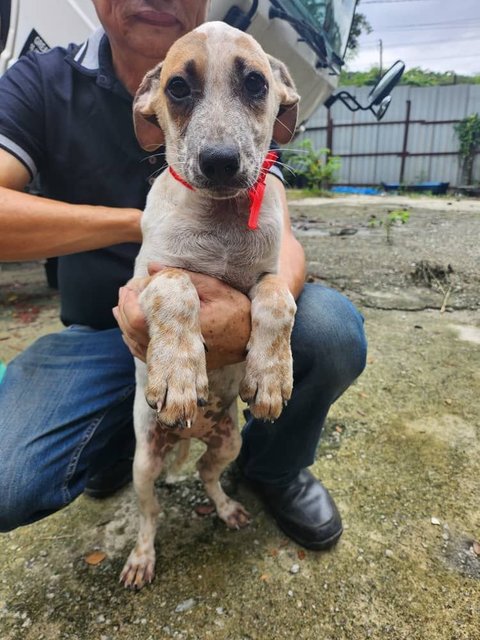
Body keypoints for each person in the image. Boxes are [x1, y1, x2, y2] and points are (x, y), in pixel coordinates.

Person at [0, 0, 366, 550]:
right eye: (179, 90)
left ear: (279, 103)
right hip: (102, 335)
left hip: (233, 324)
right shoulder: (42, 79)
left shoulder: (252, 90)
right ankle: (114, 440)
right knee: (10, 482)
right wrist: (140, 225)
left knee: (334, 329)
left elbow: (283, 248)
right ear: (148, 102)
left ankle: (273, 469)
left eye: (253, 88)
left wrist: (249, 325)